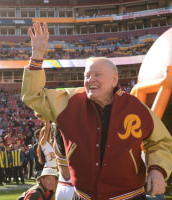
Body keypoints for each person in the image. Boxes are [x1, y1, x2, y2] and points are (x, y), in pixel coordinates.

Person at [21, 22, 172, 200]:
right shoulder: (69, 102)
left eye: (97, 74)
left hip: (130, 197)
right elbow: (32, 95)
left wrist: (157, 169)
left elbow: (160, 141)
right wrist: (37, 56)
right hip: (84, 196)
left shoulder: (136, 107)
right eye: (87, 75)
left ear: (115, 79)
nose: (90, 79)